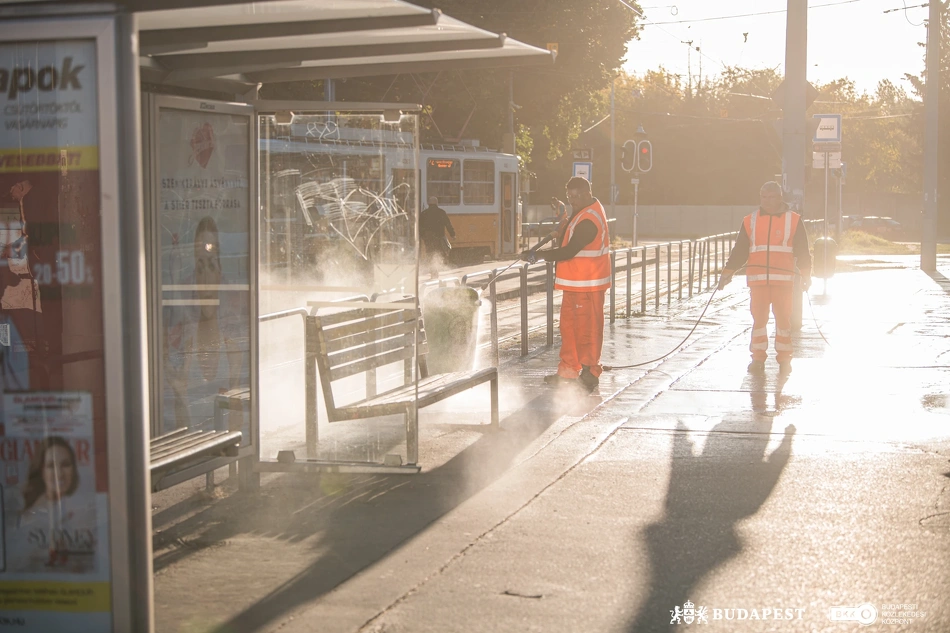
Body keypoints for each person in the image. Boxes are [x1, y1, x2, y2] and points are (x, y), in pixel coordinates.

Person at [521, 177, 610, 392]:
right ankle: (568, 372)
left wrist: (538, 256)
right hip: (576, 284)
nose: (573, 201)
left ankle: (589, 374)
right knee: (569, 329)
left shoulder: (590, 218)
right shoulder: (582, 212)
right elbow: (569, 236)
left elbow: (570, 251)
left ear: (588, 193)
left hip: (588, 285)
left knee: (587, 331)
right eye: (570, 198)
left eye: (577, 197)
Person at [718, 181, 812, 375]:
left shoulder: (793, 220)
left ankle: (785, 360)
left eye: (771, 197)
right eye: (764, 197)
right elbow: (740, 251)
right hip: (758, 281)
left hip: (783, 282)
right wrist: (727, 273)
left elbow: (803, 250)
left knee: (783, 322)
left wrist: (806, 274)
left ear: (780, 198)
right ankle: (758, 359)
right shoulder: (750, 221)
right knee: (759, 321)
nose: (767, 201)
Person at [165, 215, 247, 433]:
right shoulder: (184, 293)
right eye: (200, 265)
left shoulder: (230, 296)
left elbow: (238, 422)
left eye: (211, 261)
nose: (206, 277)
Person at [419, 196, 456, 278]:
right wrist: (452, 234)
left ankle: (433, 271)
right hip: (438, 238)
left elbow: (420, 227)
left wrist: (422, 236)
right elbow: (448, 224)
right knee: (438, 254)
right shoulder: (441, 212)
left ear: (428, 203)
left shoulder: (424, 213)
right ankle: (436, 270)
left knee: (430, 254)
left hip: (428, 239)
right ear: (437, 203)